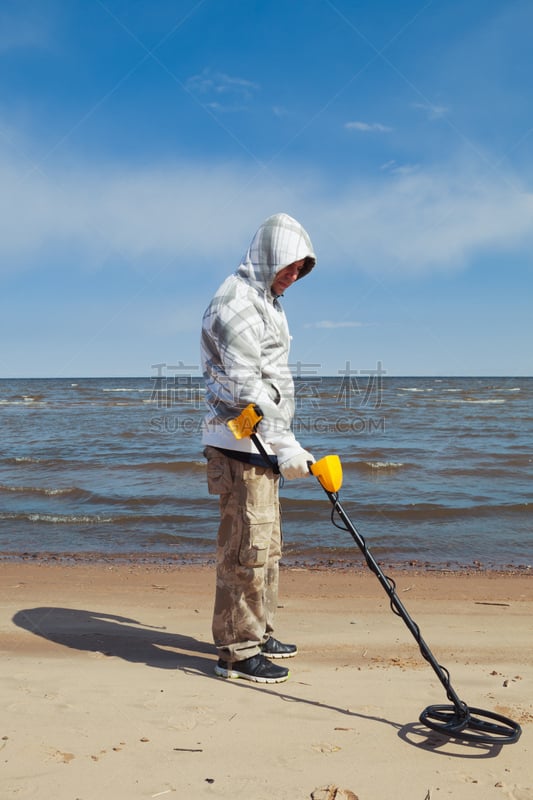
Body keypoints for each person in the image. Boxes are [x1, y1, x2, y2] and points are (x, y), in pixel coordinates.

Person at [201, 212, 317, 684]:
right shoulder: (235, 304)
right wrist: (286, 445)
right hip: (240, 444)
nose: (293, 276)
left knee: (267, 548)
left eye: (301, 270)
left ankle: (259, 630)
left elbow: (272, 379)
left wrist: (284, 442)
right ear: (268, 255)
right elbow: (247, 386)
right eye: (289, 266)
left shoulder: (267, 299)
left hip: (263, 443)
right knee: (245, 549)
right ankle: (237, 652)